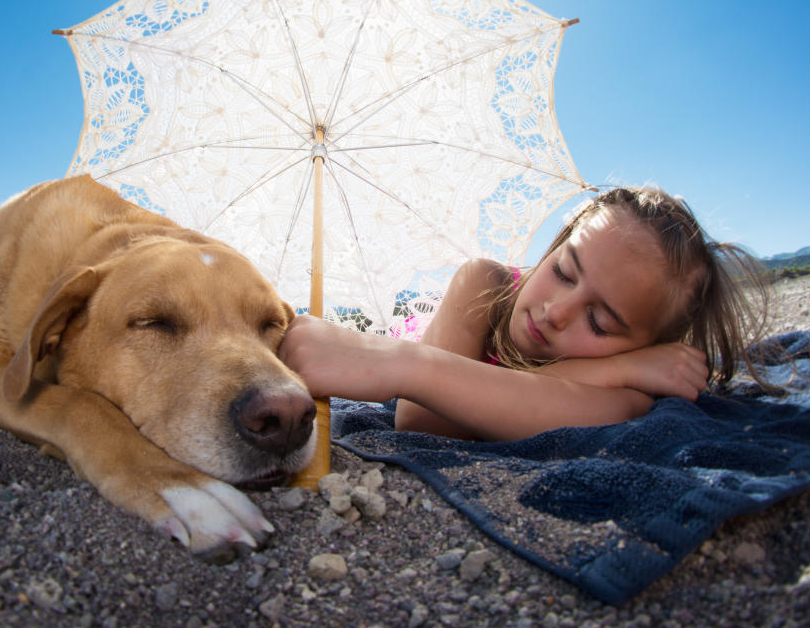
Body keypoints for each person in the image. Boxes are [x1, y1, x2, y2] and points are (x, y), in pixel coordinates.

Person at [278, 186, 771, 441]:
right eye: (562, 271)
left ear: (649, 346)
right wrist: (608, 366)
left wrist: (399, 364)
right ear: (554, 245)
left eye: (599, 323)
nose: (557, 311)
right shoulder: (485, 282)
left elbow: (426, 424)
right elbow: (421, 420)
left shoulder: (637, 382)